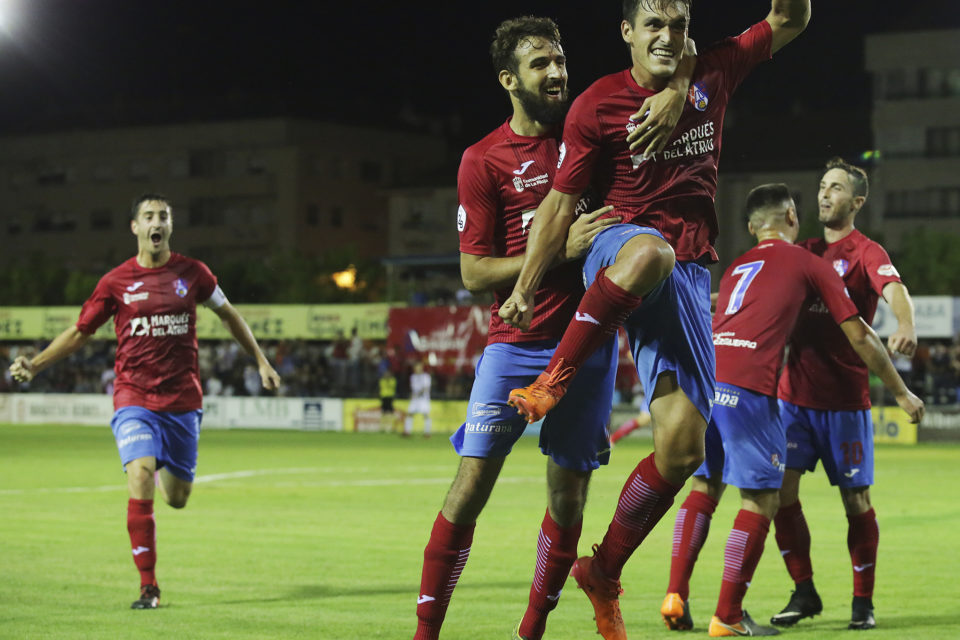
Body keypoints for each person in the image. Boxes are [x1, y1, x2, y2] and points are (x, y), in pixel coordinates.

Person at [497, 2, 811, 639]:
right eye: (653, 25)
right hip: (619, 250)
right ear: (627, 34)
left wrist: (683, 88)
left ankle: (605, 570)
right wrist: (526, 286)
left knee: (682, 449)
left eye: (676, 24)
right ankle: (554, 378)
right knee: (649, 251)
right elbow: (559, 205)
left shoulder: (712, 71)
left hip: (691, 276)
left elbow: (792, 19)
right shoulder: (595, 105)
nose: (666, 36)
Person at [412, 15, 692, 640]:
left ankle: (532, 629)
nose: (557, 71)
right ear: (510, 79)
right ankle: (425, 633)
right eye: (540, 63)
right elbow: (473, 271)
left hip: (587, 350)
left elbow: (676, 65)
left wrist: (677, 87)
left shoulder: (591, 132)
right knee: (470, 485)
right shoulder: (483, 159)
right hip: (514, 347)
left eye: (560, 58)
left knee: (568, 498)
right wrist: (559, 250)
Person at [659, 184, 923, 636]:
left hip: (709, 383)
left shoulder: (737, 265)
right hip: (752, 391)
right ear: (792, 217)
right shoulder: (807, 262)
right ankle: (728, 615)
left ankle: (675, 595)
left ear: (750, 227)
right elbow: (859, 333)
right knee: (762, 498)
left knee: (704, 487)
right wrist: (901, 391)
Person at [8, 194, 281, 610]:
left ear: (170, 227)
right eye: (149, 216)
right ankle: (148, 586)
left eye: (164, 216)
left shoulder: (194, 273)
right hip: (133, 396)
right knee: (139, 474)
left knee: (177, 498)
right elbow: (81, 332)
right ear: (135, 227)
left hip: (182, 402)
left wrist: (261, 360)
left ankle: (156, 465)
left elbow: (229, 314)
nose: (158, 222)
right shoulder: (115, 282)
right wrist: (37, 363)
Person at [770, 158, 920, 631]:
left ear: (856, 202)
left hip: (845, 404)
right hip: (793, 400)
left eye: (835, 188)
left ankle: (862, 602)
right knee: (778, 496)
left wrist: (906, 323)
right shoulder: (804, 250)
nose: (823, 194)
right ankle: (804, 590)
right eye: (821, 186)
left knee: (856, 501)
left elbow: (893, 286)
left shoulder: (864, 251)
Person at [404, 361, 433, 437]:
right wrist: (412, 395)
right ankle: (407, 432)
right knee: (410, 414)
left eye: (418, 367)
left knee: (426, 415)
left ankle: (427, 433)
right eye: (416, 367)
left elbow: (426, 388)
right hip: (415, 399)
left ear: (421, 368)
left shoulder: (426, 376)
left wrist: (418, 394)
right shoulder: (413, 377)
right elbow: (413, 388)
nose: (417, 369)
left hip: (423, 399)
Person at [379, 367, 398, 432]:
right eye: (385, 374)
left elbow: (391, 386)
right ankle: (383, 427)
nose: (386, 375)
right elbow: (383, 387)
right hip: (384, 397)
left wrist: (388, 381)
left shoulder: (393, 380)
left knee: (391, 413)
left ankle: (392, 427)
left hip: (390, 397)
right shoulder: (382, 380)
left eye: (388, 374)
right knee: (383, 412)